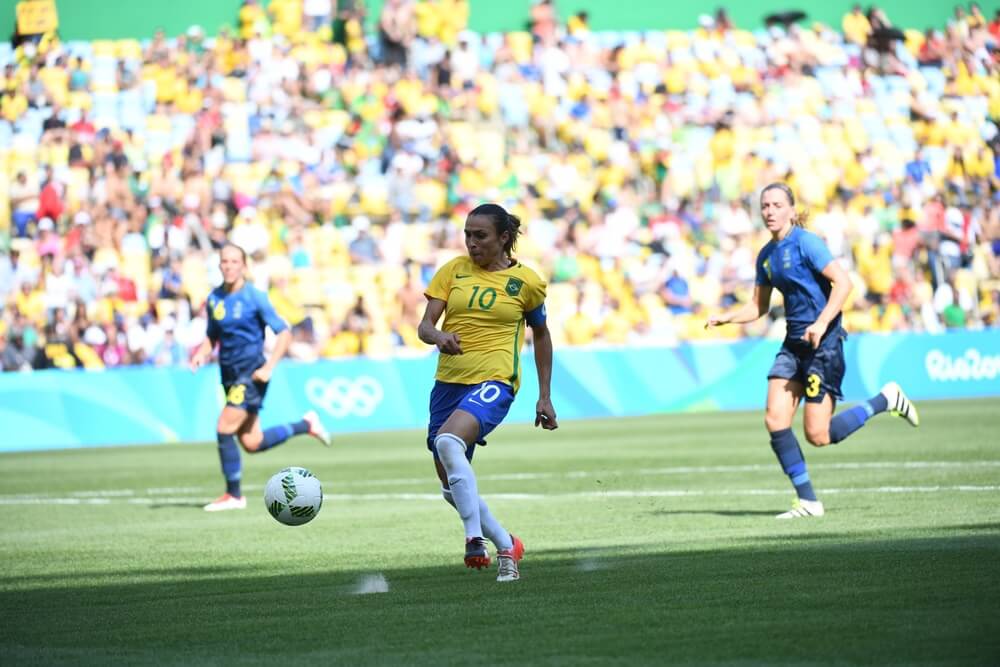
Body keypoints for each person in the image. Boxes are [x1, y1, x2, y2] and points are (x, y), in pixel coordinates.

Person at [705, 184, 919, 519]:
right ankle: (808, 501)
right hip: (793, 346)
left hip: (825, 344)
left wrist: (820, 323)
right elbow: (758, 307)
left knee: (818, 435)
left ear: (791, 209)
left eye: (777, 205)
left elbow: (844, 284)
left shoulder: (806, 242)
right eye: (765, 206)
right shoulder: (766, 256)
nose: (770, 211)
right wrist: (727, 317)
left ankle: (885, 399)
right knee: (775, 419)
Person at [417, 203, 558, 581]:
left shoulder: (526, 282)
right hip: (449, 381)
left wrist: (544, 395)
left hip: (496, 379)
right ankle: (507, 544)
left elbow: (541, 336)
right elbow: (424, 327)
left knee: (449, 443)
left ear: (504, 238)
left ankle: (473, 538)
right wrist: (439, 336)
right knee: (450, 483)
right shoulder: (452, 271)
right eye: (467, 234)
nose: (471, 242)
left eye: (480, 235)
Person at [190, 243, 330, 512]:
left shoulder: (255, 297)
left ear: (244, 266)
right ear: (219, 265)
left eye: (234, 261)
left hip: (251, 372)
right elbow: (212, 335)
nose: (229, 266)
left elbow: (284, 332)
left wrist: (269, 367)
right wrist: (202, 351)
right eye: (224, 261)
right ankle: (306, 424)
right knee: (252, 442)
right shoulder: (214, 299)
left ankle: (233, 495)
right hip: (228, 374)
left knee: (223, 428)